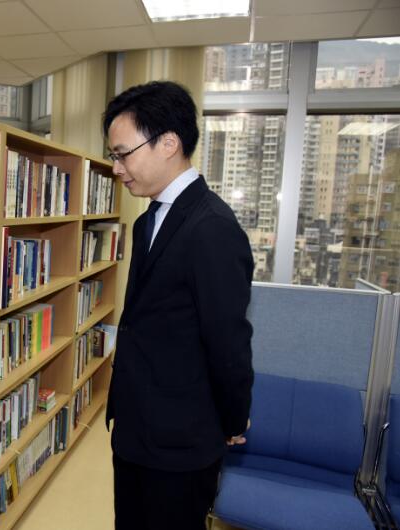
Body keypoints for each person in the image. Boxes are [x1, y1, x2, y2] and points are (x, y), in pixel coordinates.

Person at [103, 81, 254, 530]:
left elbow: (228, 341)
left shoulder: (212, 227)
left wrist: (232, 419)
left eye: (123, 154)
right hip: (136, 430)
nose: (116, 168)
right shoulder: (148, 219)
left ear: (168, 143)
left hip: (180, 444)